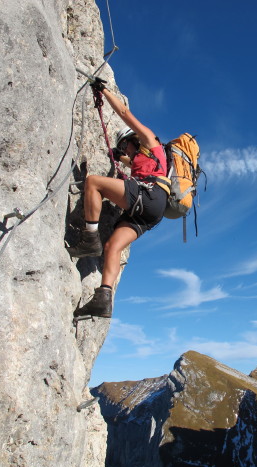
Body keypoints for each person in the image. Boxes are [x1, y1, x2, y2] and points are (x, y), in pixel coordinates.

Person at [67, 79, 168, 318]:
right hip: (151, 211)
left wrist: (103, 91)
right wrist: (118, 155)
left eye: (126, 145)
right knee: (112, 246)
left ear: (134, 140)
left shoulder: (149, 140)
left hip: (149, 195)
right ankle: (103, 298)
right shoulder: (143, 161)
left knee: (93, 182)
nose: (127, 151)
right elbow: (129, 163)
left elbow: (123, 112)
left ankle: (90, 237)